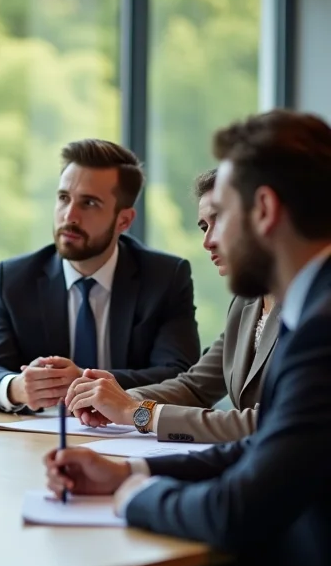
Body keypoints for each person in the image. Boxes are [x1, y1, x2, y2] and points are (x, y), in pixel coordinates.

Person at [22, 109, 331, 566]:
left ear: (262, 211)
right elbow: (263, 441)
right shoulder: (304, 308)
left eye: (223, 216)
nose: (211, 238)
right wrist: (127, 466)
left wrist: (132, 493)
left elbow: (236, 507)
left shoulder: (319, 328)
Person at [0, 139, 200, 414]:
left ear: (124, 221)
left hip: (129, 440)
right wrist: (17, 387)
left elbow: (181, 377)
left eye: (89, 203)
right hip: (39, 442)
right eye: (63, 198)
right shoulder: (15, 278)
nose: (69, 215)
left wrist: (87, 380)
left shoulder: (165, 278)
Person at [65, 168, 280, 443]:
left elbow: (268, 423)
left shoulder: (316, 305)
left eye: (220, 220)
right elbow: (194, 387)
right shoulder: (246, 302)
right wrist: (111, 399)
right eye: (204, 227)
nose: (207, 241)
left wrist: (136, 412)